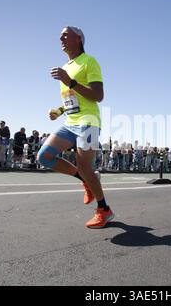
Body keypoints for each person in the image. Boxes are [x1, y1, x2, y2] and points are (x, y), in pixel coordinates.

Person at [38, 26, 114, 229]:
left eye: (65, 34)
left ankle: (104, 210)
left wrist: (69, 81)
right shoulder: (66, 66)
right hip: (70, 123)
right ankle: (86, 180)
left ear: (78, 38)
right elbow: (74, 99)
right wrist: (60, 110)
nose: (60, 37)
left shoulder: (90, 61)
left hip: (88, 122)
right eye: (60, 35)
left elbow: (97, 96)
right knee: (44, 157)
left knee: (85, 164)